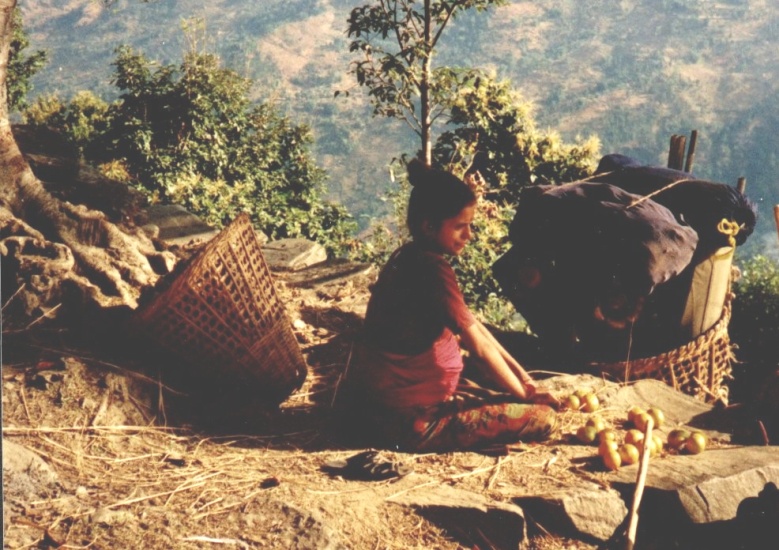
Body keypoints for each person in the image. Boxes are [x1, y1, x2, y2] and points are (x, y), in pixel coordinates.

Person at [342, 159, 558, 453]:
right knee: (543, 420)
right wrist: (526, 398)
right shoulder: (432, 270)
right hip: (412, 421)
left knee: (501, 387)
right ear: (429, 226)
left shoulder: (408, 255)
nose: (468, 236)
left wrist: (526, 383)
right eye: (460, 227)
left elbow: (477, 330)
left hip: (383, 405)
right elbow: (479, 349)